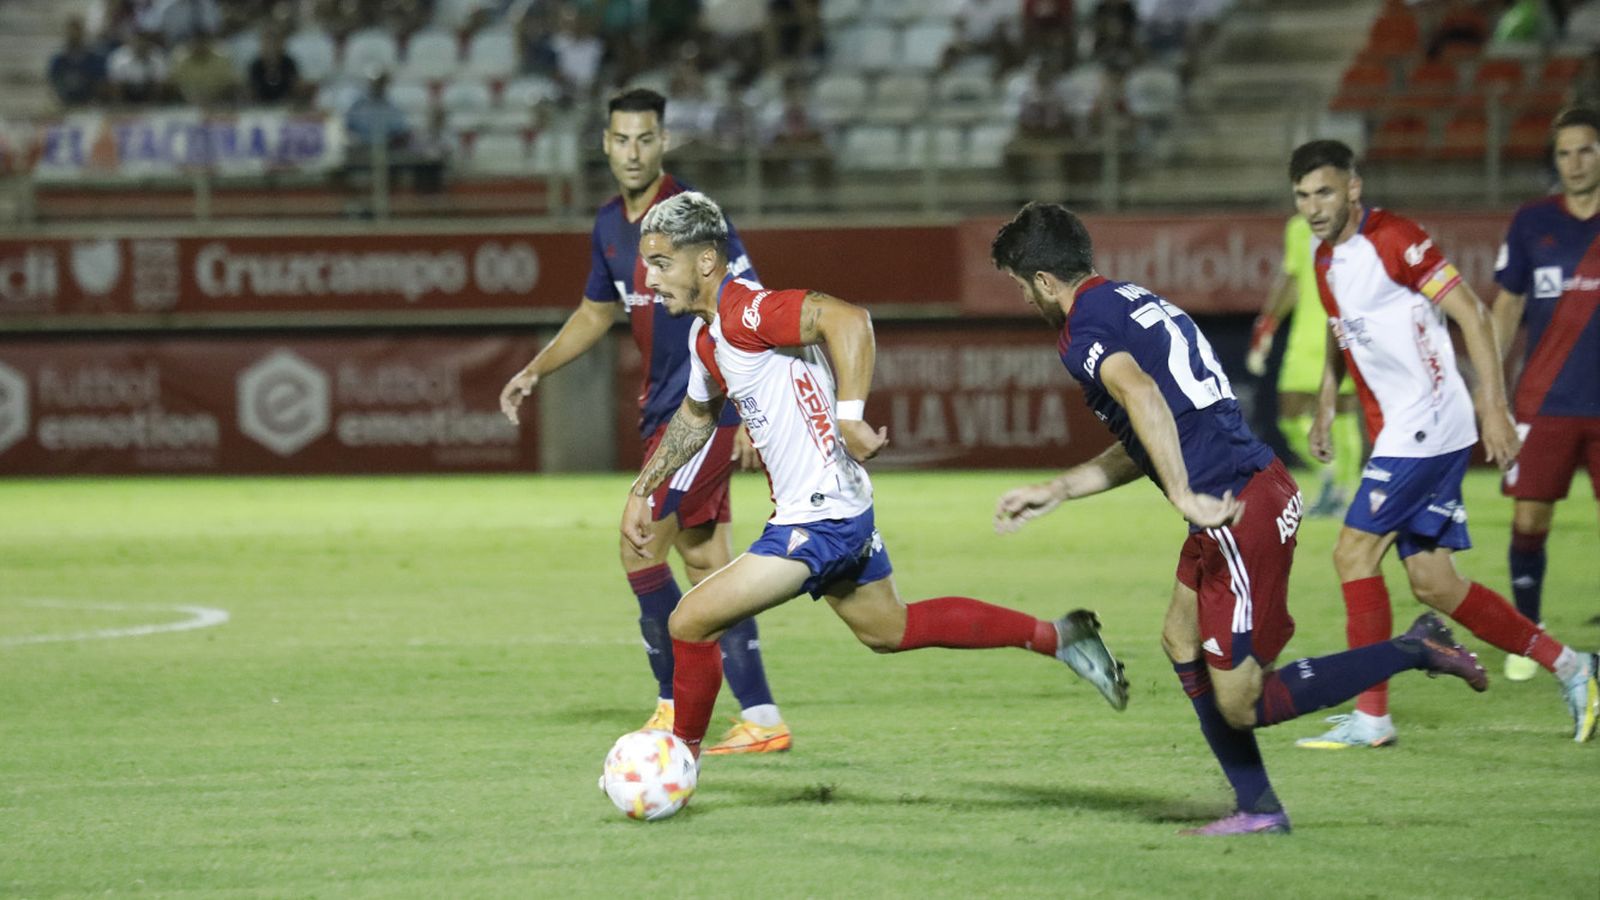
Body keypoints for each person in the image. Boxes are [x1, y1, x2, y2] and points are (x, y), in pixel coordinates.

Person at [990, 201, 1491, 836]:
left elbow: (1143, 398)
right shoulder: (1125, 300)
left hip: (1237, 506)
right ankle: (1258, 808)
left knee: (1243, 699)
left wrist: (1183, 495)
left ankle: (1414, 647)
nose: (1024, 299)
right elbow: (1148, 426)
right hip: (1236, 497)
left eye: (1018, 285)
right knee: (1179, 638)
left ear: (1042, 281)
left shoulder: (1081, 330)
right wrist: (1061, 487)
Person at [623, 190, 1130, 776]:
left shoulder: (748, 313)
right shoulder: (707, 337)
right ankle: (1059, 637)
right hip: (835, 506)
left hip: (820, 518)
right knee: (891, 629)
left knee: (689, 621)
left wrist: (849, 413)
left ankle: (675, 768)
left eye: (662, 263)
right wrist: (646, 487)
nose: (651, 279)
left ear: (706, 261)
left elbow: (848, 319)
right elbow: (695, 416)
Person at [500, 89, 790, 755]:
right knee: (706, 561)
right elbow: (595, 314)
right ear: (605, 144)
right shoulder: (608, 224)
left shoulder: (693, 217)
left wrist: (750, 408)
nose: (634, 152)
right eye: (622, 139)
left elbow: (749, 303)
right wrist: (536, 368)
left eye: (646, 139)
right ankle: (763, 717)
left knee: (637, 542)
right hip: (665, 409)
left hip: (705, 409)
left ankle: (670, 703)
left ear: (665, 143)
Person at [1285, 139, 1598, 748]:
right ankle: (1573, 667)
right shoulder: (1325, 260)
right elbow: (1338, 333)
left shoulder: (1397, 238)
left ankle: (1373, 718)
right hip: (1404, 430)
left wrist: (1495, 408)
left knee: (1353, 554)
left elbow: (1475, 315)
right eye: (1301, 196)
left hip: (1428, 423)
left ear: (1353, 187)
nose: (1313, 206)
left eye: (1324, 191)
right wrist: (1326, 404)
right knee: (1434, 583)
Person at [1489, 107, 1600, 682]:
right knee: (1529, 520)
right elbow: (1506, 307)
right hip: (1544, 401)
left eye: (1585, 150)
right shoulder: (1533, 223)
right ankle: (1527, 635)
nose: (1575, 163)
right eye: (1564, 153)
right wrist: (1489, 389)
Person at [1246, 214, 1363, 517]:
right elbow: (1293, 280)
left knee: (1344, 411)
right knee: (1289, 414)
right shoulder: (1298, 228)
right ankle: (1330, 475)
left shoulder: (1355, 226)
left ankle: (1344, 492)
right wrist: (1268, 323)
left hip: (1343, 329)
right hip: (1305, 335)